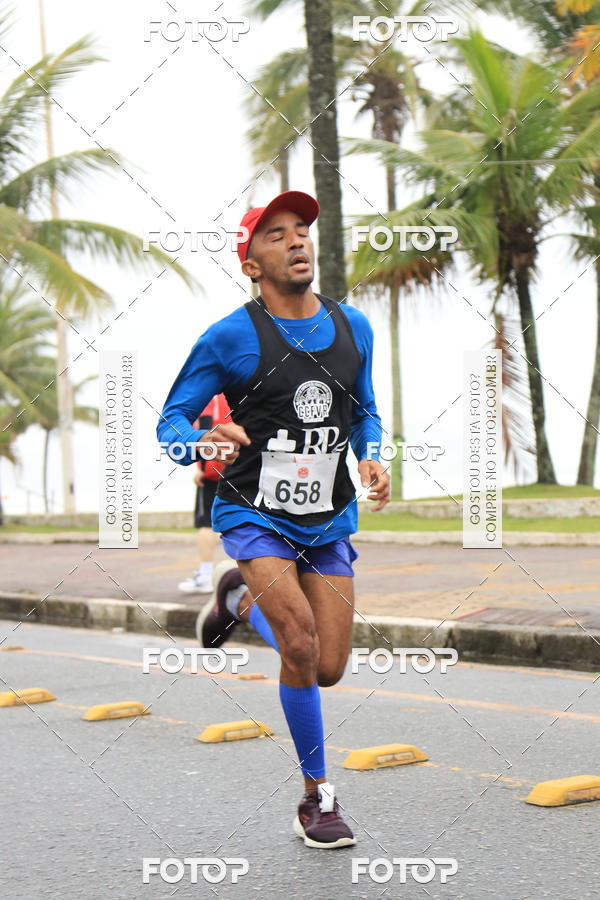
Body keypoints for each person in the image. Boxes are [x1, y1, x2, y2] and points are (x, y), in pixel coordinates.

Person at [157, 190, 389, 850]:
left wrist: (370, 458)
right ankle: (317, 798)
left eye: (302, 232)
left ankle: (234, 596)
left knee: (329, 667)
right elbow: (171, 422)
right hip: (253, 511)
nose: (296, 242)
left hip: (328, 518)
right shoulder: (230, 336)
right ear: (251, 263)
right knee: (297, 642)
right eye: (277, 235)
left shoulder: (353, 329)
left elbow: (365, 410)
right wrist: (201, 442)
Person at [178, 394, 231, 594]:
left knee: (205, 524)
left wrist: (201, 467)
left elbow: (205, 430)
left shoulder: (210, 397)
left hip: (213, 469)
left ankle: (206, 576)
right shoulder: (237, 392)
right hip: (237, 466)